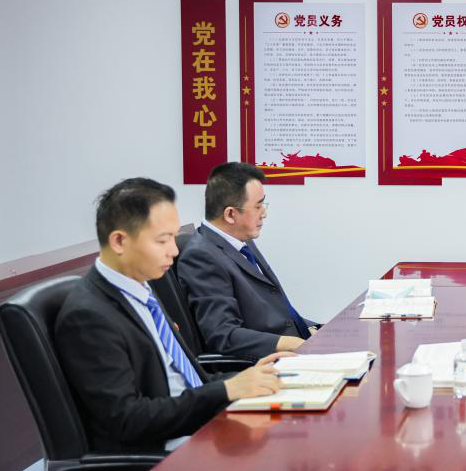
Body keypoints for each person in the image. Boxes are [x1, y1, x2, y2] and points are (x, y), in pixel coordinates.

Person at [55, 177, 287, 455]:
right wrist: (226, 390)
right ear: (119, 241)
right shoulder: (89, 316)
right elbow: (129, 420)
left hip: (198, 425)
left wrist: (247, 378)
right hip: (162, 457)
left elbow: (187, 382)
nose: (174, 251)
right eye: (162, 240)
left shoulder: (144, 291)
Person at [177, 162, 315, 360]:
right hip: (265, 363)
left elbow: (272, 311)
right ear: (230, 214)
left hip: (294, 342)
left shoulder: (240, 239)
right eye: (258, 206)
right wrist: (291, 343)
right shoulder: (201, 257)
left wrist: (313, 329)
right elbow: (223, 334)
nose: (264, 213)